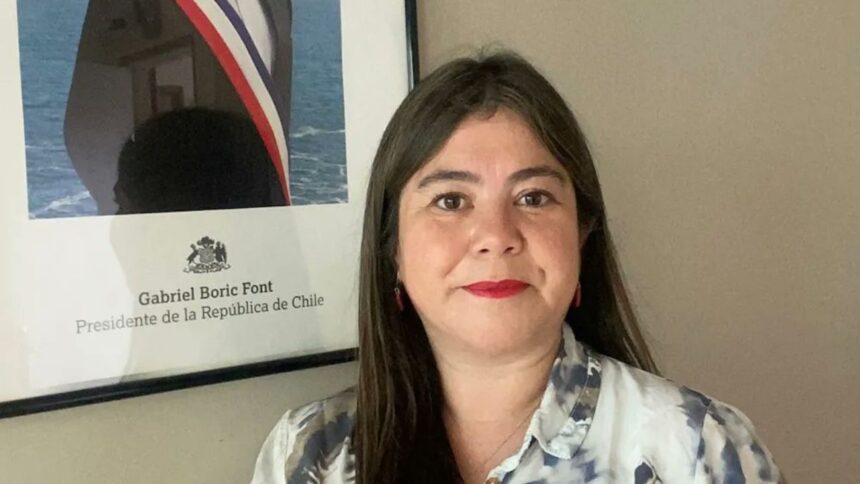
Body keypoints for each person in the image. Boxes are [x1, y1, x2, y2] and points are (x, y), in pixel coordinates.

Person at [250, 52, 783, 483]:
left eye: (533, 197)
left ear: (582, 235)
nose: (497, 236)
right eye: (451, 201)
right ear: (393, 250)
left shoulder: (696, 449)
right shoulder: (310, 454)